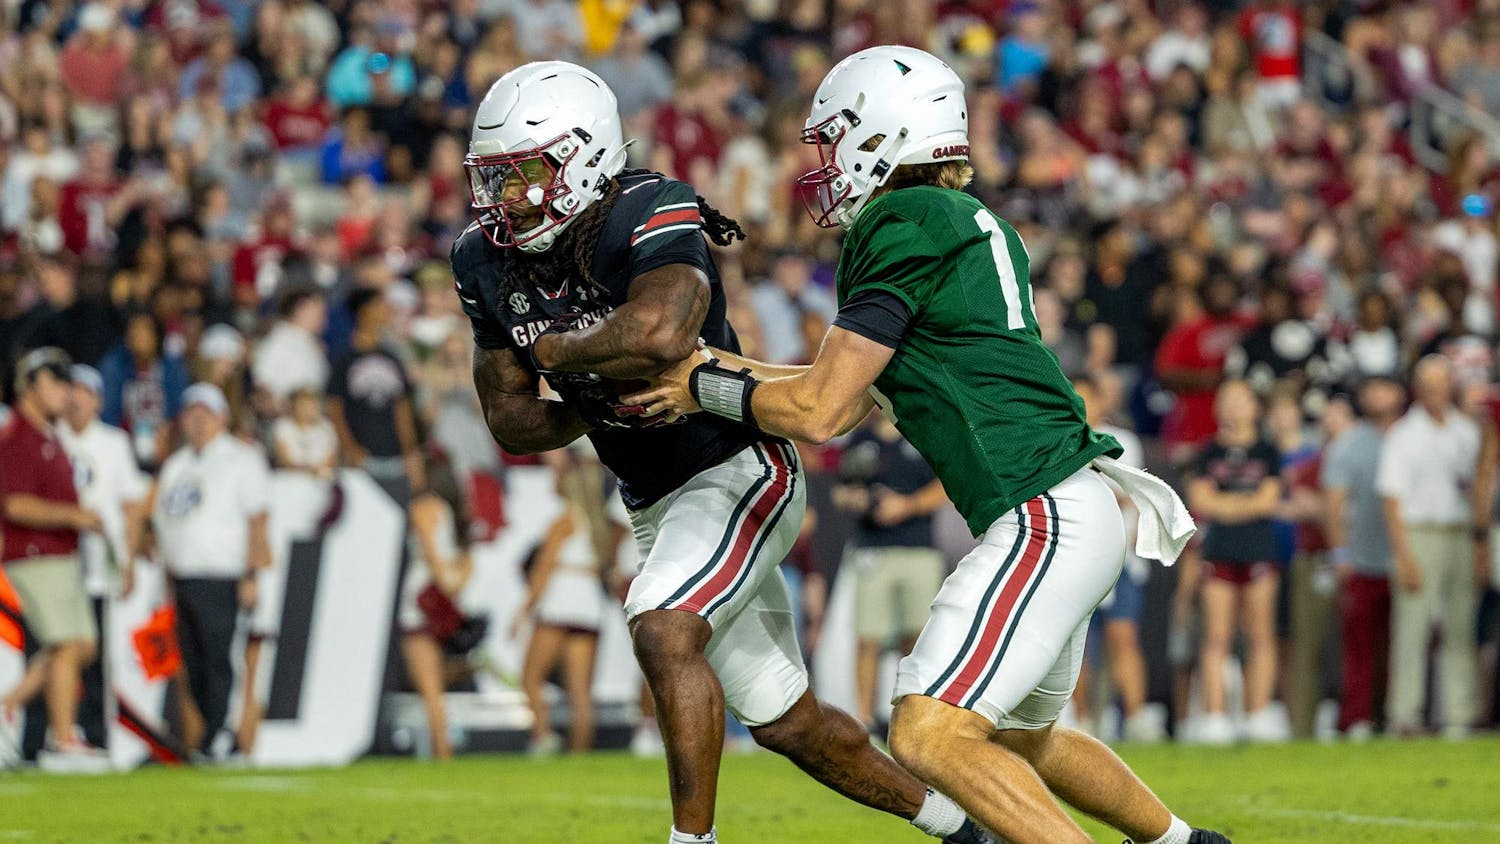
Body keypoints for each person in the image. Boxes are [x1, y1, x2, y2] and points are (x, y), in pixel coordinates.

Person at [627, 46, 1224, 844]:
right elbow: (839, 389)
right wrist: (712, 365)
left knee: (927, 733)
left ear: (883, 133)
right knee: (1019, 740)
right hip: (1072, 505)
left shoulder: (899, 221)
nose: (825, 164)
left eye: (834, 140)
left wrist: (698, 386)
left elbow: (818, 408)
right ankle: (1187, 843)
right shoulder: (963, 223)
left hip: (1041, 514)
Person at [452, 61, 990, 844]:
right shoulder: (480, 255)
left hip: (738, 464)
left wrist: (562, 356)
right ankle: (968, 828)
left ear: (584, 158)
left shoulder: (648, 206)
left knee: (664, 626)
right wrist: (590, 389)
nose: (505, 198)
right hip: (650, 495)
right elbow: (509, 416)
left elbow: (662, 333)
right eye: (494, 179)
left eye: (524, 174)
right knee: (784, 719)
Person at [148, 383, 272, 758]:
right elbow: (165, 523)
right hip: (183, 576)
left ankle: (224, 733)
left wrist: (251, 574)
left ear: (222, 418)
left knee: (221, 659)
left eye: (206, 414)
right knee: (194, 663)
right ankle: (208, 733)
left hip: (223, 574)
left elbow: (257, 521)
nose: (199, 421)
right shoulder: (176, 465)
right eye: (192, 413)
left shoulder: (241, 458)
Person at [0, 349, 109, 772]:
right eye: (57, 383)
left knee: (80, 644)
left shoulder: (47, 435)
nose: (66, 393)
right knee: (66, 644)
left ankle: (11, 707)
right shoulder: (19, 438)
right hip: (34, 554)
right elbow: (15, 505)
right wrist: (74, 516)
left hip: (58, 554)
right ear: (31, 386)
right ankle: (63, 740)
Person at [1377, 356, 1491, 738]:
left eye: (1441, 384)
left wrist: (1479, 548)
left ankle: (1458, 714)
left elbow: (1479, 490)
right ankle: (1405, 714)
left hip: (1460, 533)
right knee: (1413, 626)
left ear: (1451, 386)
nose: (1435, 392)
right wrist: (1404, 555)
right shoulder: (1404, 434)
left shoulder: (1467, 432)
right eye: (1428, 385)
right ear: (1417, 389)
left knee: (1460, 626)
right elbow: (1391, 501)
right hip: (1419, 532)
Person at [834, 412, 946, 733]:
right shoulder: (861, 439)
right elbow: (840, 490)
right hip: (873, 548)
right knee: (868, 636)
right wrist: (856, 499)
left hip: (918, 547)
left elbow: (946, 486)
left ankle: (911, 716)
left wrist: (907, 505)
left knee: (917, 638)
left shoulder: (922, 433)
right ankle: (864, 720)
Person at [55, 364, 148, 750]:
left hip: (96, 564)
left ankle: (94, 734)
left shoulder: (113, 443)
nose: (76, 398)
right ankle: (42, 734)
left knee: (94, 653)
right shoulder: (48, 437)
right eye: (70, 390)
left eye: (85, 392)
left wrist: (127, 560)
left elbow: (130, 506)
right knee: (47, 647)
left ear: (98, 400)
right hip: (52, 561)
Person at [1187, 380, 1283, 746]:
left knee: (1260, 636)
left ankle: (1258, 713)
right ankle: (1215, 716)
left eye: (1240, 401)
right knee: (1217, 637)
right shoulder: (1209, 452)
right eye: (1225, 400)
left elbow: (1269, 502)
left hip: (1259, 548)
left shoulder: (1268, 450)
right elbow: (1201, 501)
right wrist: (1246, 505)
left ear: (1255, 407)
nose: (1232, 407)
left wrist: (1226, 505)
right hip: (1219, 550)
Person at [1071, 372, 1160, 743]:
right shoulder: (1058, 439)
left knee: (1123, 637)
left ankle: (1137, 718)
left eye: (1089, 397)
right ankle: (1083, 721)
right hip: (1075, 558)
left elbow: (1131, 493)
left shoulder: (1121, 441)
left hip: (1120, 556)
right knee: (1076, 646)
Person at [514, 446, 615, 755]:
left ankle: (544, 738)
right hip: (588, 605)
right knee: (581, 692)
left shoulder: (564, 521)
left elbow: (543, 570)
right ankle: (580, 755)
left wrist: (522, 612)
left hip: (561, 601)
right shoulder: (598, 524)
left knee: (531, 678)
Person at [1323, 376, 1404, 740]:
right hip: (1362, 558)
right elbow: (1334, 504)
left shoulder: (1409, 437)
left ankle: (1394, 716)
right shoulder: (1350, 444)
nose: (1377, 395)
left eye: (1384, 387)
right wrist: (1340, 552)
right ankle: (1355, 718)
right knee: (1359, 647)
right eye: (1370, 388)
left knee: (1403, 646)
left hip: (1405, 558)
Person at [396, 452, 474, 761]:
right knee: (435, 683)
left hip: (421, 601)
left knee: (429, 689)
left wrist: (445, 585)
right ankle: (445, 748)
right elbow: (461, 561)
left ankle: (443, 753)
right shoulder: (448, 509)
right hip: (441, 602)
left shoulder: (423, 507)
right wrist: (453, 589)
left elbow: (432, 557)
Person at [327, 288, 424, 503]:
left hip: (396, 459)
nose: (387, 310)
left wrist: (411, 452)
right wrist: (348, 447)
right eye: (380, 305)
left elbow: (402, 409)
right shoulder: (344, 359)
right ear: (363, 311)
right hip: (362, 459)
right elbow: (335, 409)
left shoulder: (392, 357)